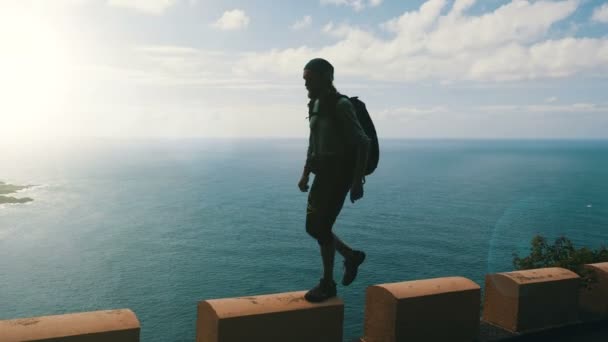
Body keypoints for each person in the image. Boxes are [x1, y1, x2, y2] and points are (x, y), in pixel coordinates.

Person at [298, 58, 370, 303]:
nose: (305, 83)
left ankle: (328, 283)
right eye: (304, 79)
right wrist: (306, 172)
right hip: (322, 175)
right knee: (315, 227)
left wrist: (357, 180)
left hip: (338, 176)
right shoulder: (316, 104)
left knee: (319, 228)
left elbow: (363, 142)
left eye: (309, 78)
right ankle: (350, 256)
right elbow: (313, 141)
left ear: (325, 77)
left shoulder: (341, 105)